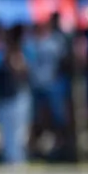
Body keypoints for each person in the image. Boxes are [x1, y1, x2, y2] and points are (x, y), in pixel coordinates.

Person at [25, 15, 70, 158]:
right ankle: (34, 148)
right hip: (35, 85)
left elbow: (64, 61)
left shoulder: (57, 40)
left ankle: (62, 144)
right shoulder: (30, 40)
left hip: (53, 84)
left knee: (59, 116)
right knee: (36, 118)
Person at [0, 26, 33, 166]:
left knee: (18, 132)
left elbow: (23, 73)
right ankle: (9, 159)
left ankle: (18, 159)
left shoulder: (22, 54)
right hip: (4, 98)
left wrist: (13, 59)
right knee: (6, 132)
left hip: (17, 97)